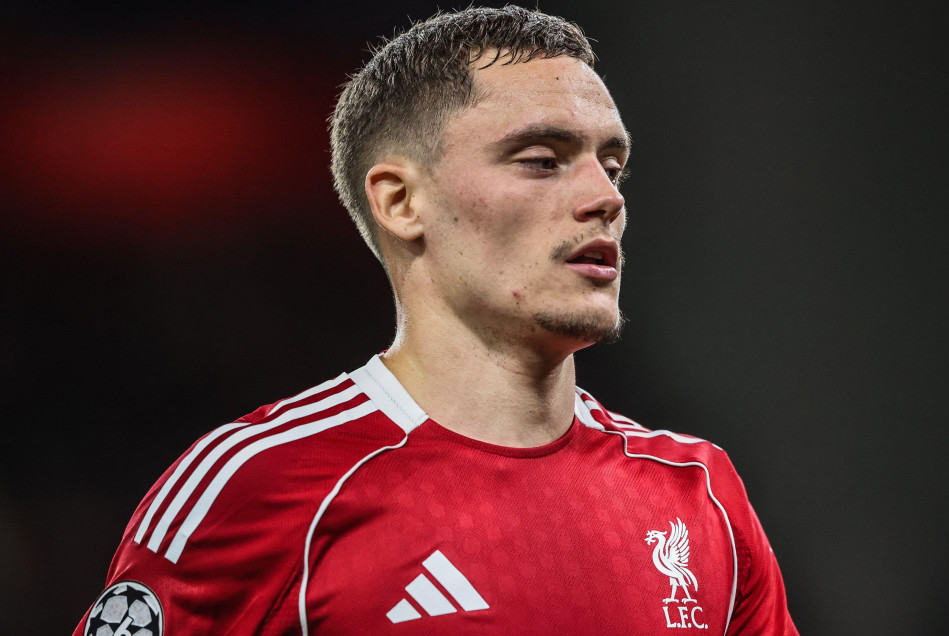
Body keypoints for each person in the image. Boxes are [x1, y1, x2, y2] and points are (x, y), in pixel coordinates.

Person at [75, 6, 798, 635]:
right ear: (400, 203)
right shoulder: (257, 485)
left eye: (614, 165)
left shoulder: (696, 493)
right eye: (543, 160)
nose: (604, 196)